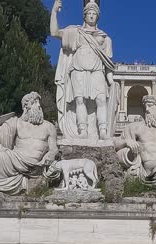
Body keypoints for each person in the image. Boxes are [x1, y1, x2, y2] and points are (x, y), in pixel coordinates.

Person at [50, 0, 119, 140]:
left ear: (98, 16)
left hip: (97, 69)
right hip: (78, 69)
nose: (92, 16)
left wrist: (111, 81)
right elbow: (54, 32)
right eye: (89, 13)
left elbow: (107, 63)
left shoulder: (105, 38)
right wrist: (54, 11)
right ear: (84, 16)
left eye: (94, 14)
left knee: (101, 100)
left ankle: (103, 131)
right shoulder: (76, 32)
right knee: (80, 100)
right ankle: (82, 130)